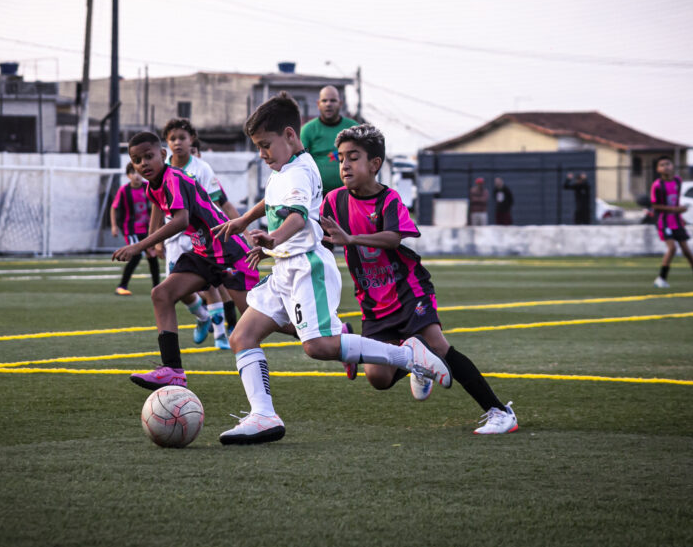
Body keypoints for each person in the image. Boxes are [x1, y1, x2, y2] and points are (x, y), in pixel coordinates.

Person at [212, 93, 452, 445]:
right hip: (284, 270)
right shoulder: (285, 168)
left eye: (265, 146)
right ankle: (263, 415)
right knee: (242, 337)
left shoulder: (297, 174)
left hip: (306, 269)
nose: (262, 154)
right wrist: (245, 220)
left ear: (291, 136)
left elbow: (295, 217)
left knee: (318, 347)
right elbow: (274, 201)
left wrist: (273, 239)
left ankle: (408, 355)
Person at [320, 124, 518, 434]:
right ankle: (415, 361)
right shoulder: (333, 201)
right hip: (372, 301)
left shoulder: (389, 200)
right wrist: (276, 247)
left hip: (407, 289)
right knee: (378, 378)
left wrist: (351, 238)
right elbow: (318, 237)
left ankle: (499, 411)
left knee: (438, 344)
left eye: (353, 157)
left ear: (374, 164)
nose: (344, 165)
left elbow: (393, 239)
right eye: (341, 158)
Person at [112, 131, 259, 390]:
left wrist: (139, 245)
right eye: (137, 160)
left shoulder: (175, 178)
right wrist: (152, 242)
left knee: (259, 319)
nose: (143, 163)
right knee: (161, 294)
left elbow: (180, 219)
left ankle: (332, 336)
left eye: (149, 156)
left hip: (229, 252)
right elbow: (159, 207)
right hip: (204, 252)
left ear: (163, 155)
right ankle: (173, 370)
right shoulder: (152, 185)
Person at [163, 118, 242, 349]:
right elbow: (158, 205)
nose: (177, 143)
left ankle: (220, 336)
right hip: (173, 235)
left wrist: (231, 228)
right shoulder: (164, 167)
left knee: (209, 284)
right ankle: (202, 317)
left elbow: (216, 201)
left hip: (199, 234)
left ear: (192, 140)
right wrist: (154, 238)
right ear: (167, 142)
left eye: (182, 138)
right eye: (172, 138)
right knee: (176, 288)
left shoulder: (202, 169)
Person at [650, 156, 693, 289]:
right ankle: (661, 279)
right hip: (664, 221)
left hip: (676, 220)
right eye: (662, 165)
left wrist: (680, 212)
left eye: (668, 164)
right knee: (672, 248)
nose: (665, 167)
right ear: (658, 169)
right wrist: (676, 209)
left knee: (686, 250)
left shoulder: (678, 181)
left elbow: (675, 200)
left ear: (673, 166)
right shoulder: (657, 185)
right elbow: (656, 205)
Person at [110, 162, 161, 295]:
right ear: (128, 176)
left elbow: (157, 204)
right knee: (136, 256)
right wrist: (114, 226)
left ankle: (158, 288)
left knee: (152, 256)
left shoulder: (148, 187)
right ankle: (122, 286)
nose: (137, 176)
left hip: (147, 229)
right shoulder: (124, 190)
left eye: (138, 172)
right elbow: (114, 208)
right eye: (133, 173)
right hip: (131, 230)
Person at [299, 85, 358, 196]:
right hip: (318, 196)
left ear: (340, 103)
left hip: (350, 195)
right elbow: (301, 163)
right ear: (318, 104)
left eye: (333, 100)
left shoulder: (353, 128)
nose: (328, 104)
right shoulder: (307, 130)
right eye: (324, 100)